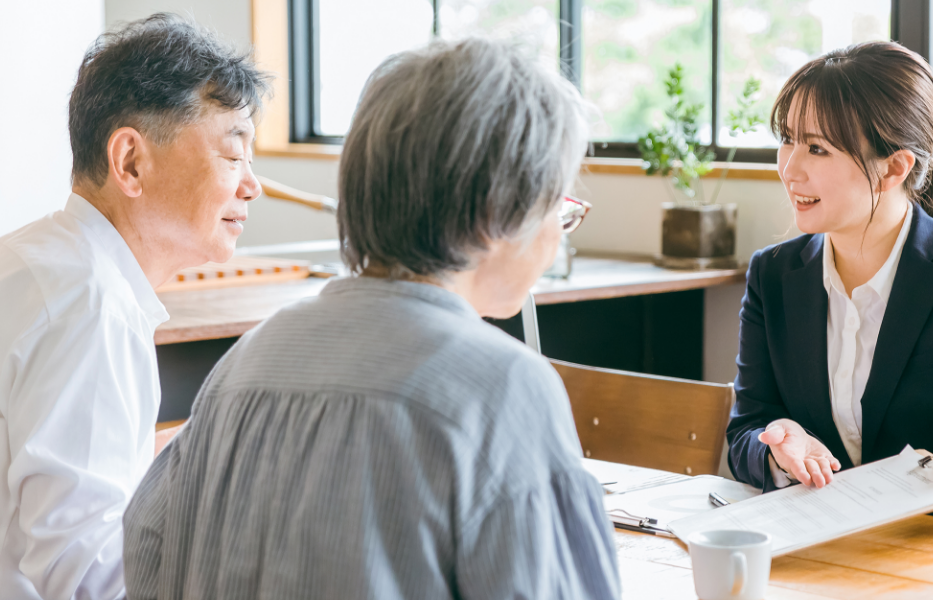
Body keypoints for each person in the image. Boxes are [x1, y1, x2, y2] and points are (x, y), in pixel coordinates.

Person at [122, 38, 620, 599]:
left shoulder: (246, 363)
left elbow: (144, 556)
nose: (559, 229)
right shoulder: (503, 388)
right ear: (497, 211)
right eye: (559, 205)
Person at [0, 14, 268, 599]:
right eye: (234, 156)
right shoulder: (89, 307)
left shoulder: (44, 259)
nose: (254, 186)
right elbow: (91, 580)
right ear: (130, 161)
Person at [726, 41, 933, 532]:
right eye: (787, 139)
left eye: (817, 148)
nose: (789, 167)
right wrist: (778, 448)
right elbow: (746, 431)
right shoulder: (773, 275)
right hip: (840, 548)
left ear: (895, 167)